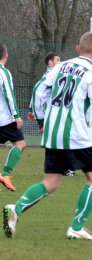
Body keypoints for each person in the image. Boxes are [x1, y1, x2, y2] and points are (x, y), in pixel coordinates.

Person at [3, 32, 92, 240]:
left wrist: (41, 121)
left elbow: (37, 91)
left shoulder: (60, 67)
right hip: (78, 135)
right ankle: (76, 227)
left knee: (51, 182)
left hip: (53, 134)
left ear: (78, 49)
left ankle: (15, 210)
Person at [28, 52, 77, 177]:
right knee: (62, 138)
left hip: (49, 113)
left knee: (56, 139)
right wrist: (38, 115)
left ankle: (58, 168)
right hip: (51, 113)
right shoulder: (52, 75)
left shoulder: (50, 75)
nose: (60, 62)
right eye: (57, 59)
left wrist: (32, 109)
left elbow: (38, 92)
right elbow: (38, 91)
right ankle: (65, 168)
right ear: (50, 62)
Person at [0, 42, 26, 192]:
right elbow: (8, 94)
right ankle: (5, 174)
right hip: (4, 119)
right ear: (6, 56)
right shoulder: (3, 72)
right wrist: (16, 115)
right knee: (20, 144)